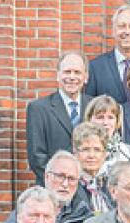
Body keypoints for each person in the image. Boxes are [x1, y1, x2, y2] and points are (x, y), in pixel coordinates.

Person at [0, 150, 93, 223]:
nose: (65, 184)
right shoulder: (25, 212)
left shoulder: (85, 217)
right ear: (47, 177)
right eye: (60, 176)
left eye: (71, 179)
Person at [26, 52, 91, 187]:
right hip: (53, 189)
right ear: (58, 75)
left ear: (86, 77)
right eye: (67, 72)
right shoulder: (39, 109)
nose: (72, 77)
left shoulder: (94, 106)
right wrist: (64, 181)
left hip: (89, 188)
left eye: (77, 72)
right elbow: (37, 157)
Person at [72, 119, 130, 214]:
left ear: (104, 154)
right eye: (85, 149)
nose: (91, 155)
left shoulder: (112, 184)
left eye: (97, 150)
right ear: (75, 152)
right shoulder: (70, 186)